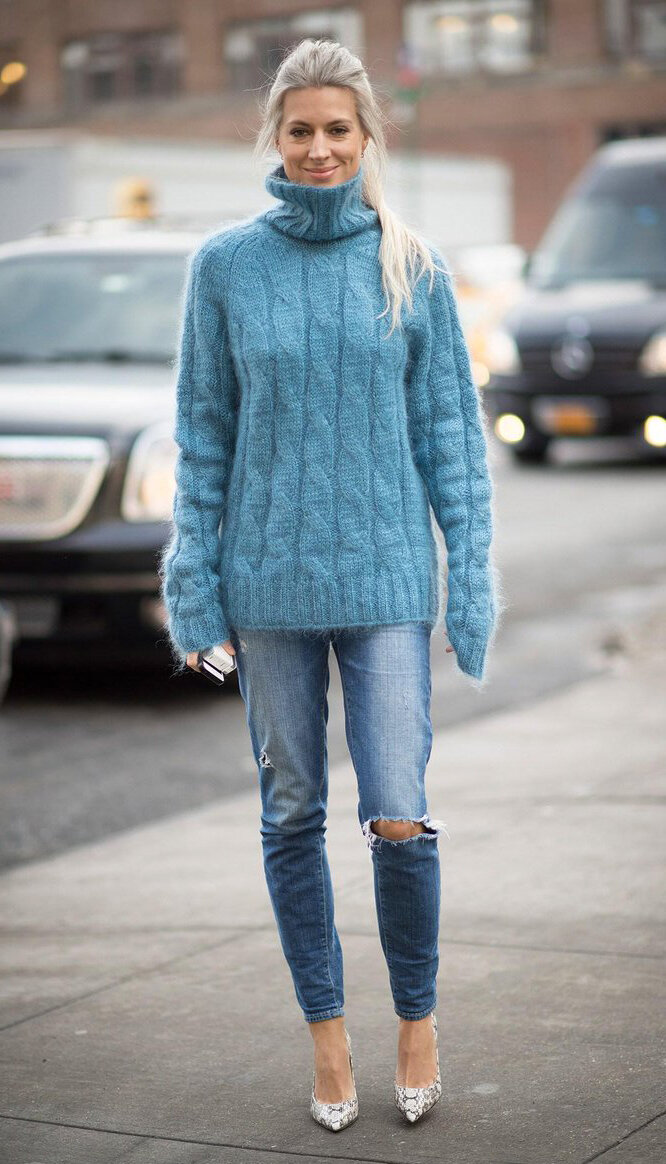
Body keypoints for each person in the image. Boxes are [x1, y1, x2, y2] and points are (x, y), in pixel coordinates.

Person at [159, 37, 502, 1132]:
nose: (318, 148)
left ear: (368, 139)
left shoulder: (414, 264)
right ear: (276, 136)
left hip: (389, 580)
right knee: (292, 810)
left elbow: (452, 436)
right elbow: (202, 436)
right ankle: (325, 1039)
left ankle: (415, 1020)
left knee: (397, 808)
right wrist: (194, 582)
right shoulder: (224, 267)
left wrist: (472, 580)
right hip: (266, 588)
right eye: (299, 129)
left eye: (337, 130)